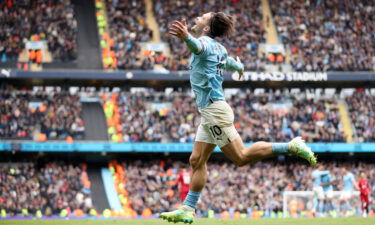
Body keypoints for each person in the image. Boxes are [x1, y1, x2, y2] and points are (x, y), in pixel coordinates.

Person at [160, 12, 316, 224]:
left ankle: (290, 146)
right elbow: (230, 62)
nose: (197, 18)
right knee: (196, 160)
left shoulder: (204, 42)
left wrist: (186, 37)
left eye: (202, 18)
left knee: (241, 156)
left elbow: (197, 47)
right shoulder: (221, 49)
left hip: (214, 111)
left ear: (206, 29)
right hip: (211, 112)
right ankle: (188, 208)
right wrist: (239, 67)